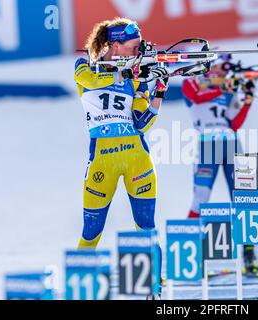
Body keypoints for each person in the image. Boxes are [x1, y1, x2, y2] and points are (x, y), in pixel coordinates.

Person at [73, 17, 167, 299]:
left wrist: (157, 92)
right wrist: (125, 75)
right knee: (91, 232)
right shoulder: (84, 64)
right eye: (134, 47)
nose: (138, 52)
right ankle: (79, 289)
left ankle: (156, 291)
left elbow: (142, 123)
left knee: (146, 228)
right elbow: (88, 80)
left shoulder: (136, 75)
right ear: (115, 45)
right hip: (102, 160)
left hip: (137, 157)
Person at [182, 55, 258, 274]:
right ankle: (191, 257)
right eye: (219, 68)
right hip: (208, 144)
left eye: (226, 71)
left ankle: (249, 255)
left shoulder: (228, 88)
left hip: (233, 144)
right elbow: (196, 97)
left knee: (246, 199)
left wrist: (248, 99)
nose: (223, 73)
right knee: (200, 199)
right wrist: (227, 84)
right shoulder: (192, 81)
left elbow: (234, 123)